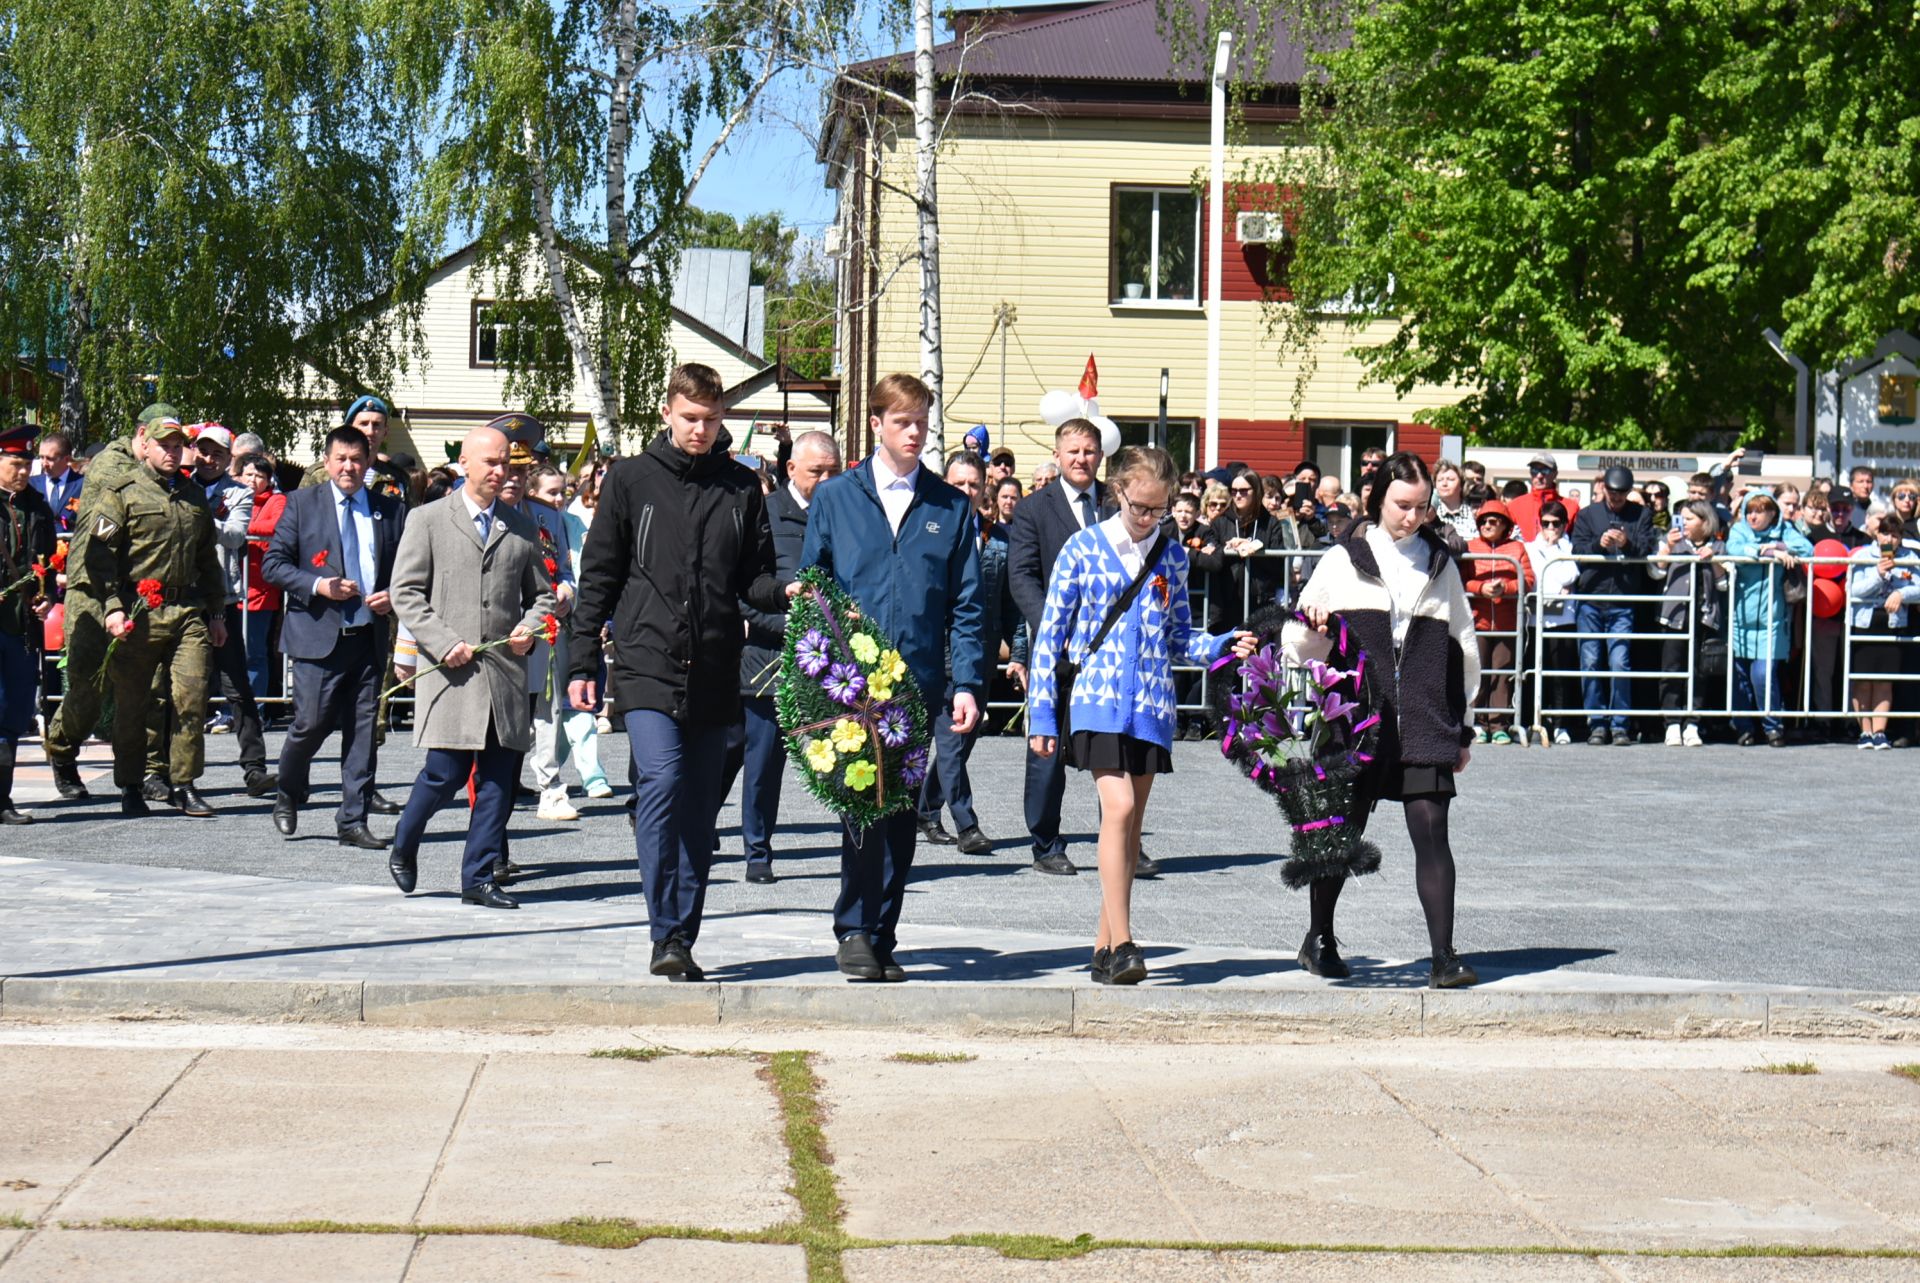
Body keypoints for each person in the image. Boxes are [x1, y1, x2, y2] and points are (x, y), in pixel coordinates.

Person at [568, 364, 788, 976]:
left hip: (716, 666)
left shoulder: (742, 489)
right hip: (645, 662)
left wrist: (786, 593)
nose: (700, 429)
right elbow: (600, 578)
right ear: (668, 412)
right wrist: (583, 655)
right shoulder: (630, 480)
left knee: (697, 809)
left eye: (711, 420)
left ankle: (680, 939)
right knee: (660, 784)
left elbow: (754, 577)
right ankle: (662, 927)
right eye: (690, 418)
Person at [1028, 445, 1253, 985]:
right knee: (1120, 807)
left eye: (1159, 509)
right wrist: (1039, 713)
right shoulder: (1082, 548)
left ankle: (1105, 949)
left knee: (1128, 829)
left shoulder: (1172, 557)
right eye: (1140, 507)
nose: (1148, 519)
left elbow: (1178, 636)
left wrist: (1222, 644)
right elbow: (1049, 636)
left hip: (1152, 702)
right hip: (1096, 697)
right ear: (1118, 494)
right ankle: (1127, 942)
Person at [800, 373, 983, 981]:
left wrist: (967, 683)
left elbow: (967, 604)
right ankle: (852, 928)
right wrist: (821, 677)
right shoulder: (836, 498)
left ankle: (882, 932)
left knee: (901, 813)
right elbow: (815, 592)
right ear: (876, 423)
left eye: (923, 422)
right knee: (858, 803)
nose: (915, 432)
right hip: (854, 689)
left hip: (918, 685)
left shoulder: (950, 506)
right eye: (903, 421)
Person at [1283, 451, 1481, 988]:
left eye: (1422, 507)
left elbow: (1463, 649)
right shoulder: (1343, 558)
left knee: (1433, 832)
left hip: (1425, 721)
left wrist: (1462, 727)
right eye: (1402, 505)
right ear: (1377, 499)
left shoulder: (1440, 563)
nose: (1412, 517)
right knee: (1341, 835)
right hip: (1354, 722)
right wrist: (1317, 628)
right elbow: (1296, 642)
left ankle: (1444, 955)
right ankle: (1318, 939)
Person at [388, 424, 555, 908]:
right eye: (491, 462)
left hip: (503, 674)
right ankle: (405, 839)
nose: (501, 471)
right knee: (443, 772)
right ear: (465, 464)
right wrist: (442, 644)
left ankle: (478, 877)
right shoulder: (428, 520)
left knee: (498, 781)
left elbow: (541, 595)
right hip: (451, 674)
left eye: (507, 463)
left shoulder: (521, 525)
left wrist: (530, 626)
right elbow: (407, 593)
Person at [60, 406, 228, 817]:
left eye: (178, 447)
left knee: (191, 697)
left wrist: (217, 613)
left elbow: (207, 558)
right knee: (133, 704)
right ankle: (131, 785)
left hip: (186, 611)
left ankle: (184, 782)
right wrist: (114, 607)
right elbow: (99, 556)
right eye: (165, 446)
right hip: (140, 612)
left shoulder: (192, 495)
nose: (173, 453)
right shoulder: (121, 491)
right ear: (145, 446)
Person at [263, 426, 409, 849]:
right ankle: (289, 791)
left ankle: (352, 820)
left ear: (368, 462)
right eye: (341, 459)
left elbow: (406, 570)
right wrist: (317, 586)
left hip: (367, 635)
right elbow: (274, 565)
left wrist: (393, 596)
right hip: (317, 634)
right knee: (310, 725)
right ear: (327, 462)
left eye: (357, 459)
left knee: (363, 730)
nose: (349, 467)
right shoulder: (301, 504)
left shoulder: (389, 509)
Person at [730, 429, 839, 883]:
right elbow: (744, 590)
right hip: (768, 660)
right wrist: (792, 628)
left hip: (827, 658)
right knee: (759, 760)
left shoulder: (841, 513)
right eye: (817, 471)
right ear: (791, 469)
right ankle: (757, 850)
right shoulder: (766, 516)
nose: (827, 479)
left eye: (834, 471)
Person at [1006, 417, 1109, 876]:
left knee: (1114, 749)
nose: (1081, 459)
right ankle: (1046, 843)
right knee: (1047, 747)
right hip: (1057, 648)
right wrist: (1053, 623)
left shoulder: (1116, 502)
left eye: (1088, 451)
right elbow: (1022, 574)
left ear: (1100, 455)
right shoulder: (1033, 509)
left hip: (1108, 649)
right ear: (1058, 454)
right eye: (1073, 452)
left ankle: (1120, 840)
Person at [919, 449, 1023, 853]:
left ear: (986, 490)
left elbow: (1011, 605)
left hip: (978, 658)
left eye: (973, 484)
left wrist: (1019, 654)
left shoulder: (1000, 541)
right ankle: (967, 825)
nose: (966, 490)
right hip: (939, 656)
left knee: (960, 744)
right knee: (950, 739)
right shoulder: (928, 532)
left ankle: (926, 809)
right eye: (957, 483)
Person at [168, 424, 275, 800]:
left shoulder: (239, 492)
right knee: (183, 689)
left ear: (230, 459)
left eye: (218, 454)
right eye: (204, 451)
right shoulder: (176, 484)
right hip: (180, 598)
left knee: (237, 686)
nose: (209, 459)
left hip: (223, 599)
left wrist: (198, 517)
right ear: (194, 452)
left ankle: (255, 768)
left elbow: (234, 535)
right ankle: (172, 769)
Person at [1570, 465, 1656, 745]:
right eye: (1612, 491)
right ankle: (1596, 722)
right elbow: (1577, 551)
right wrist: (1599, 544)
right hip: (1591, 598)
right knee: (1591, 661)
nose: (1616, 497)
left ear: (1629, 492)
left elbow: (1647, 548)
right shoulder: (1587, 515)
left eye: (1622, 493)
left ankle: (1620, 724)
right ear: (1603, 487)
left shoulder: (1641, 514)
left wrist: (1627, 542)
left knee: (1620, 662)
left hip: (1623, 599)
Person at [0, 424, 56, 823]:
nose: (23, 471)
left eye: (27, 464)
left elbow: (49, 564)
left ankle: (3, 799)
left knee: (15, 712)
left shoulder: (37, 507)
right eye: (15, 463)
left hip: (21, 626)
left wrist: (46, 597)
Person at [1726, 491, 1812, 747]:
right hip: (1740, 615)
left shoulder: (1784, 529)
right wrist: (1765, 552)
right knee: (1739, 676)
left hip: (1771, 618)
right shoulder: (1739, 530)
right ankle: (1743, 728)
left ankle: (1772, 726)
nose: (1753, 515)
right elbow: (1734, 549)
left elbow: (1807, 548)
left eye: (1760, 510)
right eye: (1749, 510)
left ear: (1772, 513)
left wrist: (1777, 546)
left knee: (1763, 675)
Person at [1649, 500, 1726, 748]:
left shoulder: (1719, 545)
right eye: (1681, 518)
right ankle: (1671, 722)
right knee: (1671, 668)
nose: (1684, 524)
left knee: (1700, 671)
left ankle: (1693, 722)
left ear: (1705, 522)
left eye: (1690, 519)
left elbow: (1724, 584)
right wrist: (1667, 550)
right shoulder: (1672, 543)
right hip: (1674, 616)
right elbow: (1656, 572)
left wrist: (1713, 561)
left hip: (1704, 617)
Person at [1463, 499, 1534, 744]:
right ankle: (1478, 724)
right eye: (1484, 520)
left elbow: (1530, 580)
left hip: (1506, 622)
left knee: (1503, 674)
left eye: (1494, 521)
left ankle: (1499, 724)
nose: (1488, 525)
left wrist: (1507, 587)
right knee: (1477, 672)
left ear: (1505, 525)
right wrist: (1480, 588)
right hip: (1477, 621)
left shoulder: (1517, 548)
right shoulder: (1470, 547)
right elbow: (1461, 580)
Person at [1847, 514, 1920, 749]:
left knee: (1884, 681)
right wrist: (1878, 576)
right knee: (1863, 680)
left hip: (1893, 623)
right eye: (1885, 533)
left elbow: (1918, 588)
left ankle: (1880, 731)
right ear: (1876, 535)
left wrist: (1901, 594)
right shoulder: (1862, 556)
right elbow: (1853, 589)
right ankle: (1864, 731)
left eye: (1895, 534)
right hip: (1865, 621)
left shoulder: (1910, 558)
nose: (1890, 538)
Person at [1524, 500, 1581, 746]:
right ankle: (1531, 721)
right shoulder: (1528, 547)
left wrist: (1554, 551)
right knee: (1533, 671)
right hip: (1535, 618)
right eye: (1545, 523)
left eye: (1556, 524)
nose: (1550, 528)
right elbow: (1534, 575)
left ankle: (1560, 724)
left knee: (1560, 673)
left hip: (1563, 619)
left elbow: (1569, 574)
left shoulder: (1570, 547)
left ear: (1564, 525)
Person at [238, 454, 285, 698]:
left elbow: (274, 526)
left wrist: (239, 528)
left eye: (260, 476)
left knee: (254, 652)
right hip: (232, 588)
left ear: (268, 480)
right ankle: (229, 708)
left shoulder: (276, 500)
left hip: (260, 590)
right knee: (231, 652)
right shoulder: (230, 497)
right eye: (249, 474)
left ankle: (256, 707)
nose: (253, 480)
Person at [1507, 452, 1582, 541]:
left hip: (1558, 554)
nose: (1539, 476)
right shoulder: (1515, 506)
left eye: (1545, 471)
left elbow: (1578, 542)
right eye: (1534, 470)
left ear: (1555, 474)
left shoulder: (1571, 507)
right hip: (1525, 554)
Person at [31, 430, 83, 534]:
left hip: (70, 546)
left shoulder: (82, 484)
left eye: (50, 459)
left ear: (67, 459)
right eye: (41, 457)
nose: (44, 463)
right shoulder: (31, 485)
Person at [1431, 460, 1477, 544]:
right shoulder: (1431, 513)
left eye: (1451, 479)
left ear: (1461, 485)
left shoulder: (1474, 513)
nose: (1444, 484)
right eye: (1440, 480)